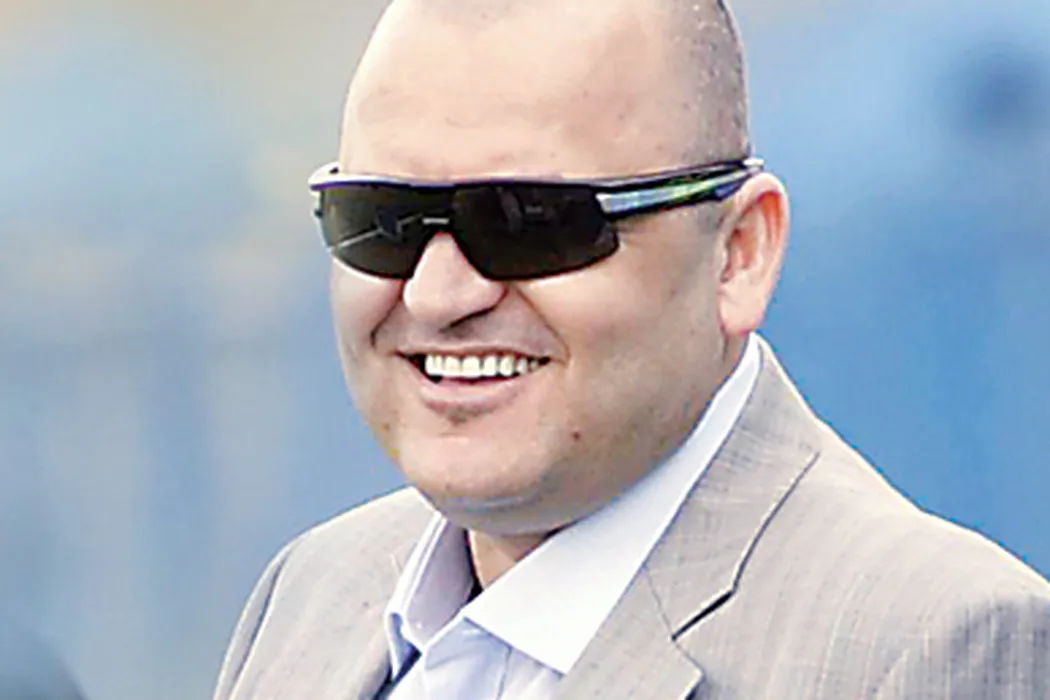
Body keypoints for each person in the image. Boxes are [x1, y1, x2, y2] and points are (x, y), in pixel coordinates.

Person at [213, 0, 1050, 697]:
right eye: (379, 220)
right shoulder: (311, 596)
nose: (438, 294)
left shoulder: (932, 650)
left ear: (740, 253)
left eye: (529, 222)